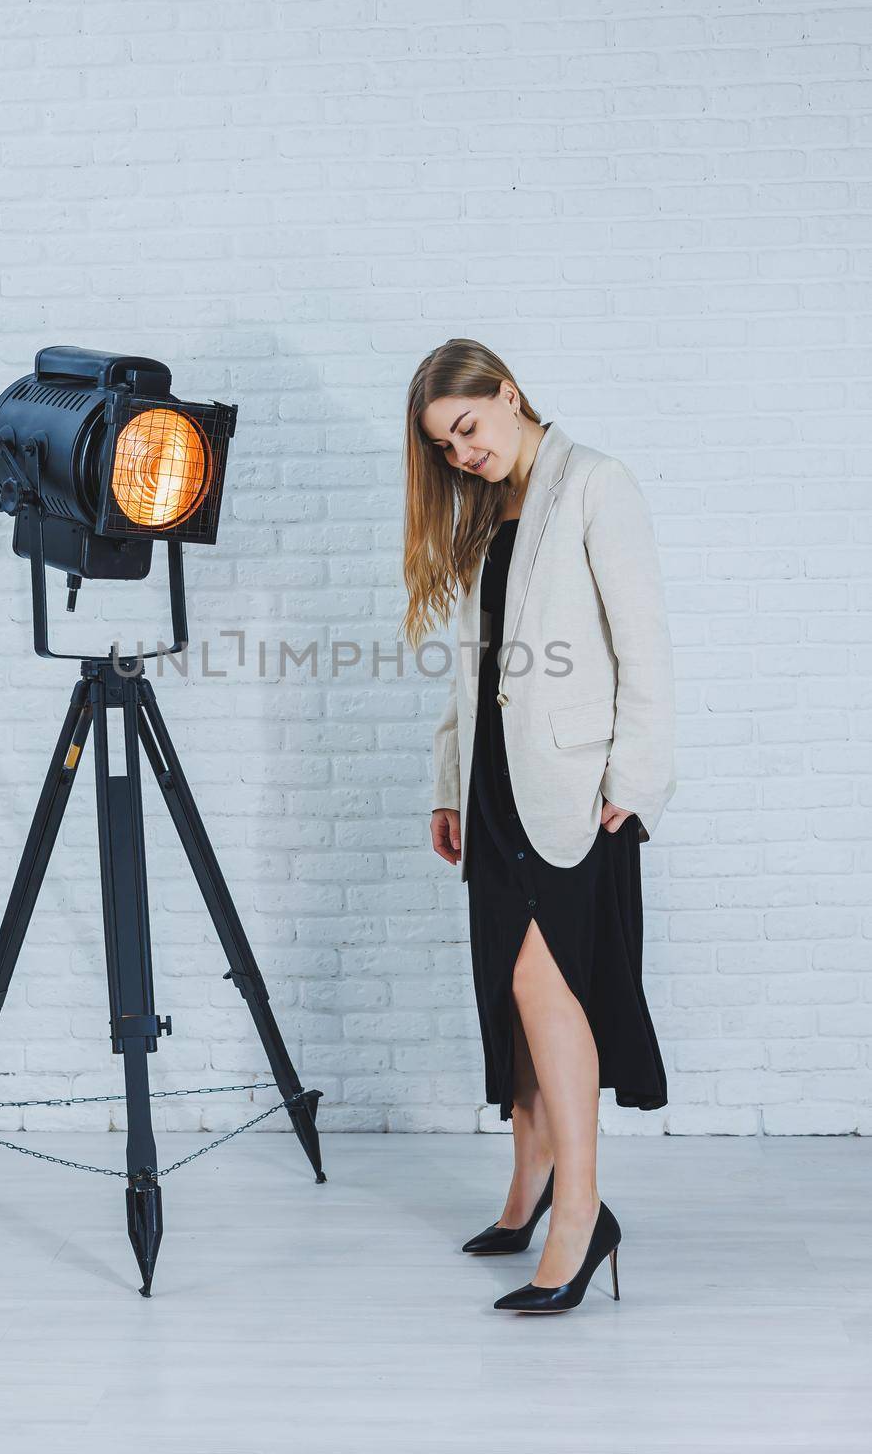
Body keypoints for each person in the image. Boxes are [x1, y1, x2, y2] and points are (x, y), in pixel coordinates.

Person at [401, 338, 676, 1315]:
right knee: (508, 993)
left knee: (543, 980)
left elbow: (642, 645)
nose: (458, 454)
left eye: (465, 429)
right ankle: (527, 1188)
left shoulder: (594, 484)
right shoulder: (485, 516)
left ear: (507, 393)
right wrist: (446, 782)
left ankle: (583, 1211)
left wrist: (634, 777)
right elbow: (469, 674)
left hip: (568, 784)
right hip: (489, 785)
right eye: (442, 445)